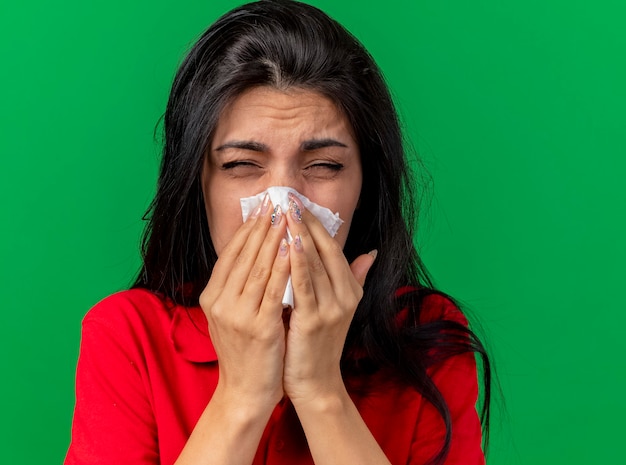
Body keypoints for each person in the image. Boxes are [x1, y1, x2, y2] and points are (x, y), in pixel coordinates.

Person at [64, 1, 491, 464]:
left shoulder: (429, 336)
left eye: (324, 165)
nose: (284, 204)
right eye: (242, 165)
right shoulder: (128, 337)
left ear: (365, 185)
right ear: (198, 186)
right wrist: (241, 397)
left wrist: (320, 390)